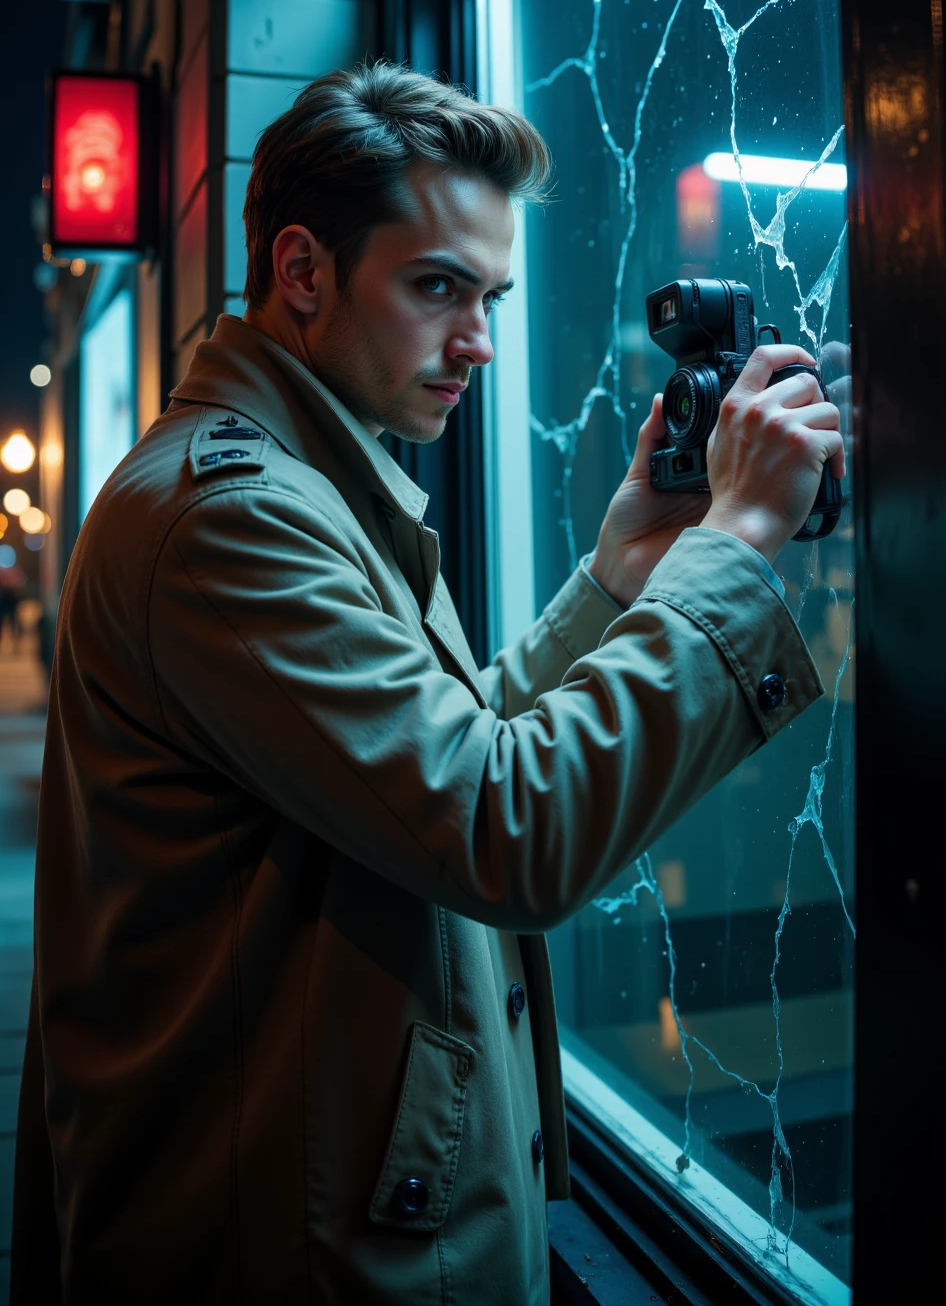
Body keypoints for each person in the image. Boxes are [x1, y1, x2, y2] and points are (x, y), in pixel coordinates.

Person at [13, 63, 844, 1305]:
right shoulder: (232, 519)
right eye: (438, 288)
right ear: (302, 270)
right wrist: (729, 547)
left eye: (492, 295)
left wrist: (619, 576)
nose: (480, 342)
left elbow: (440, 760)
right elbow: (501, 830)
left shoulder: (310, 480)